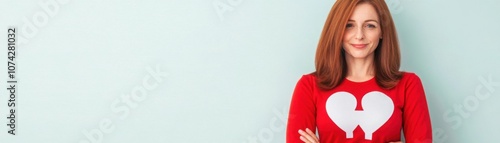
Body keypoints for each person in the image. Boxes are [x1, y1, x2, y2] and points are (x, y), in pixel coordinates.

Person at [285, 0, 432, 142]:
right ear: (337, 31)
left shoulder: (408, 85)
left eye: (370, 26)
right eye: (349, 25)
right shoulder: (309, 86)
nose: (359, 35)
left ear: (382, 31)